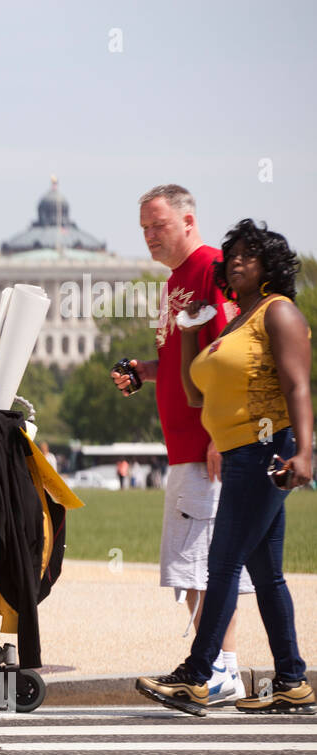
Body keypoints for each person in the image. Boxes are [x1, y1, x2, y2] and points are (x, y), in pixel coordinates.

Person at [138, 220, 313, 713]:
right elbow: (197, 394)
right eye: (232, 254)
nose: (236, 261)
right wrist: (191, 334)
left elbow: (299, 385)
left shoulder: (278, 314)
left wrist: (305, 452)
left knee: (222, 562)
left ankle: (197, 675)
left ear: (270, 266)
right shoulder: (238, 320)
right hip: (240, 452)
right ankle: (292, 682)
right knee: (267, 573)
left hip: (265, 451)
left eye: (249, 255)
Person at [112, 184, 251, 703]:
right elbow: (185, 361)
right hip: (185, 447)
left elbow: (232, 350)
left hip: (204, 446)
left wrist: (220, 433)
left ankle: (223, 669)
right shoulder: (176, 281)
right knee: (192, 564)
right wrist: (144, 371)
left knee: (203, 564)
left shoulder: (211, 270)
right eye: (144, 228)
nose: (150, 236)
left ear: (188, 221)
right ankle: (217, 666)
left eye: (159, 225)